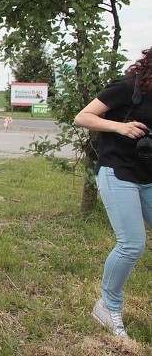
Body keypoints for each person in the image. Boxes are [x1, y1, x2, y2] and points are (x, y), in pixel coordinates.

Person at [74, 47, 152, 339]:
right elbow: (83, 117)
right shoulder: (128, 87)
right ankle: (107, 305)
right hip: (118, 172)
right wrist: (119, 127)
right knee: (132, 245)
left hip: (148, 176)